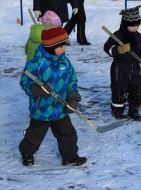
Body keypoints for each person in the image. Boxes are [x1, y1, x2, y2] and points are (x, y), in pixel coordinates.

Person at [19, 25, 87, 167]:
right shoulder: (36, 64)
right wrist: (37, 90)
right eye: (61, 46)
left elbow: (72, 81)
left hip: (60, 107)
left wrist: (73, 98)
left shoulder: (65, 62)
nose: (64, 49)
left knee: (68, 134)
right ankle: (27, 152)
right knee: (35, 135)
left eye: (65, 46)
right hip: (42, 109)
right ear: (51, 46)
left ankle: (70, 157)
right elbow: (25, 81)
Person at [103, 5, 141, 120]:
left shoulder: (139, 37)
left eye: (137, 25)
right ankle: (118, 111)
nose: (136, 27)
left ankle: (134, 110)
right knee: (119, 90)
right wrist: (118, 49)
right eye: (132, 25)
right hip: (120, 69)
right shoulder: (118, 35)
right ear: (125, 24)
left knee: (137, 89)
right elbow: (107, 48)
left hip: (135, 69)